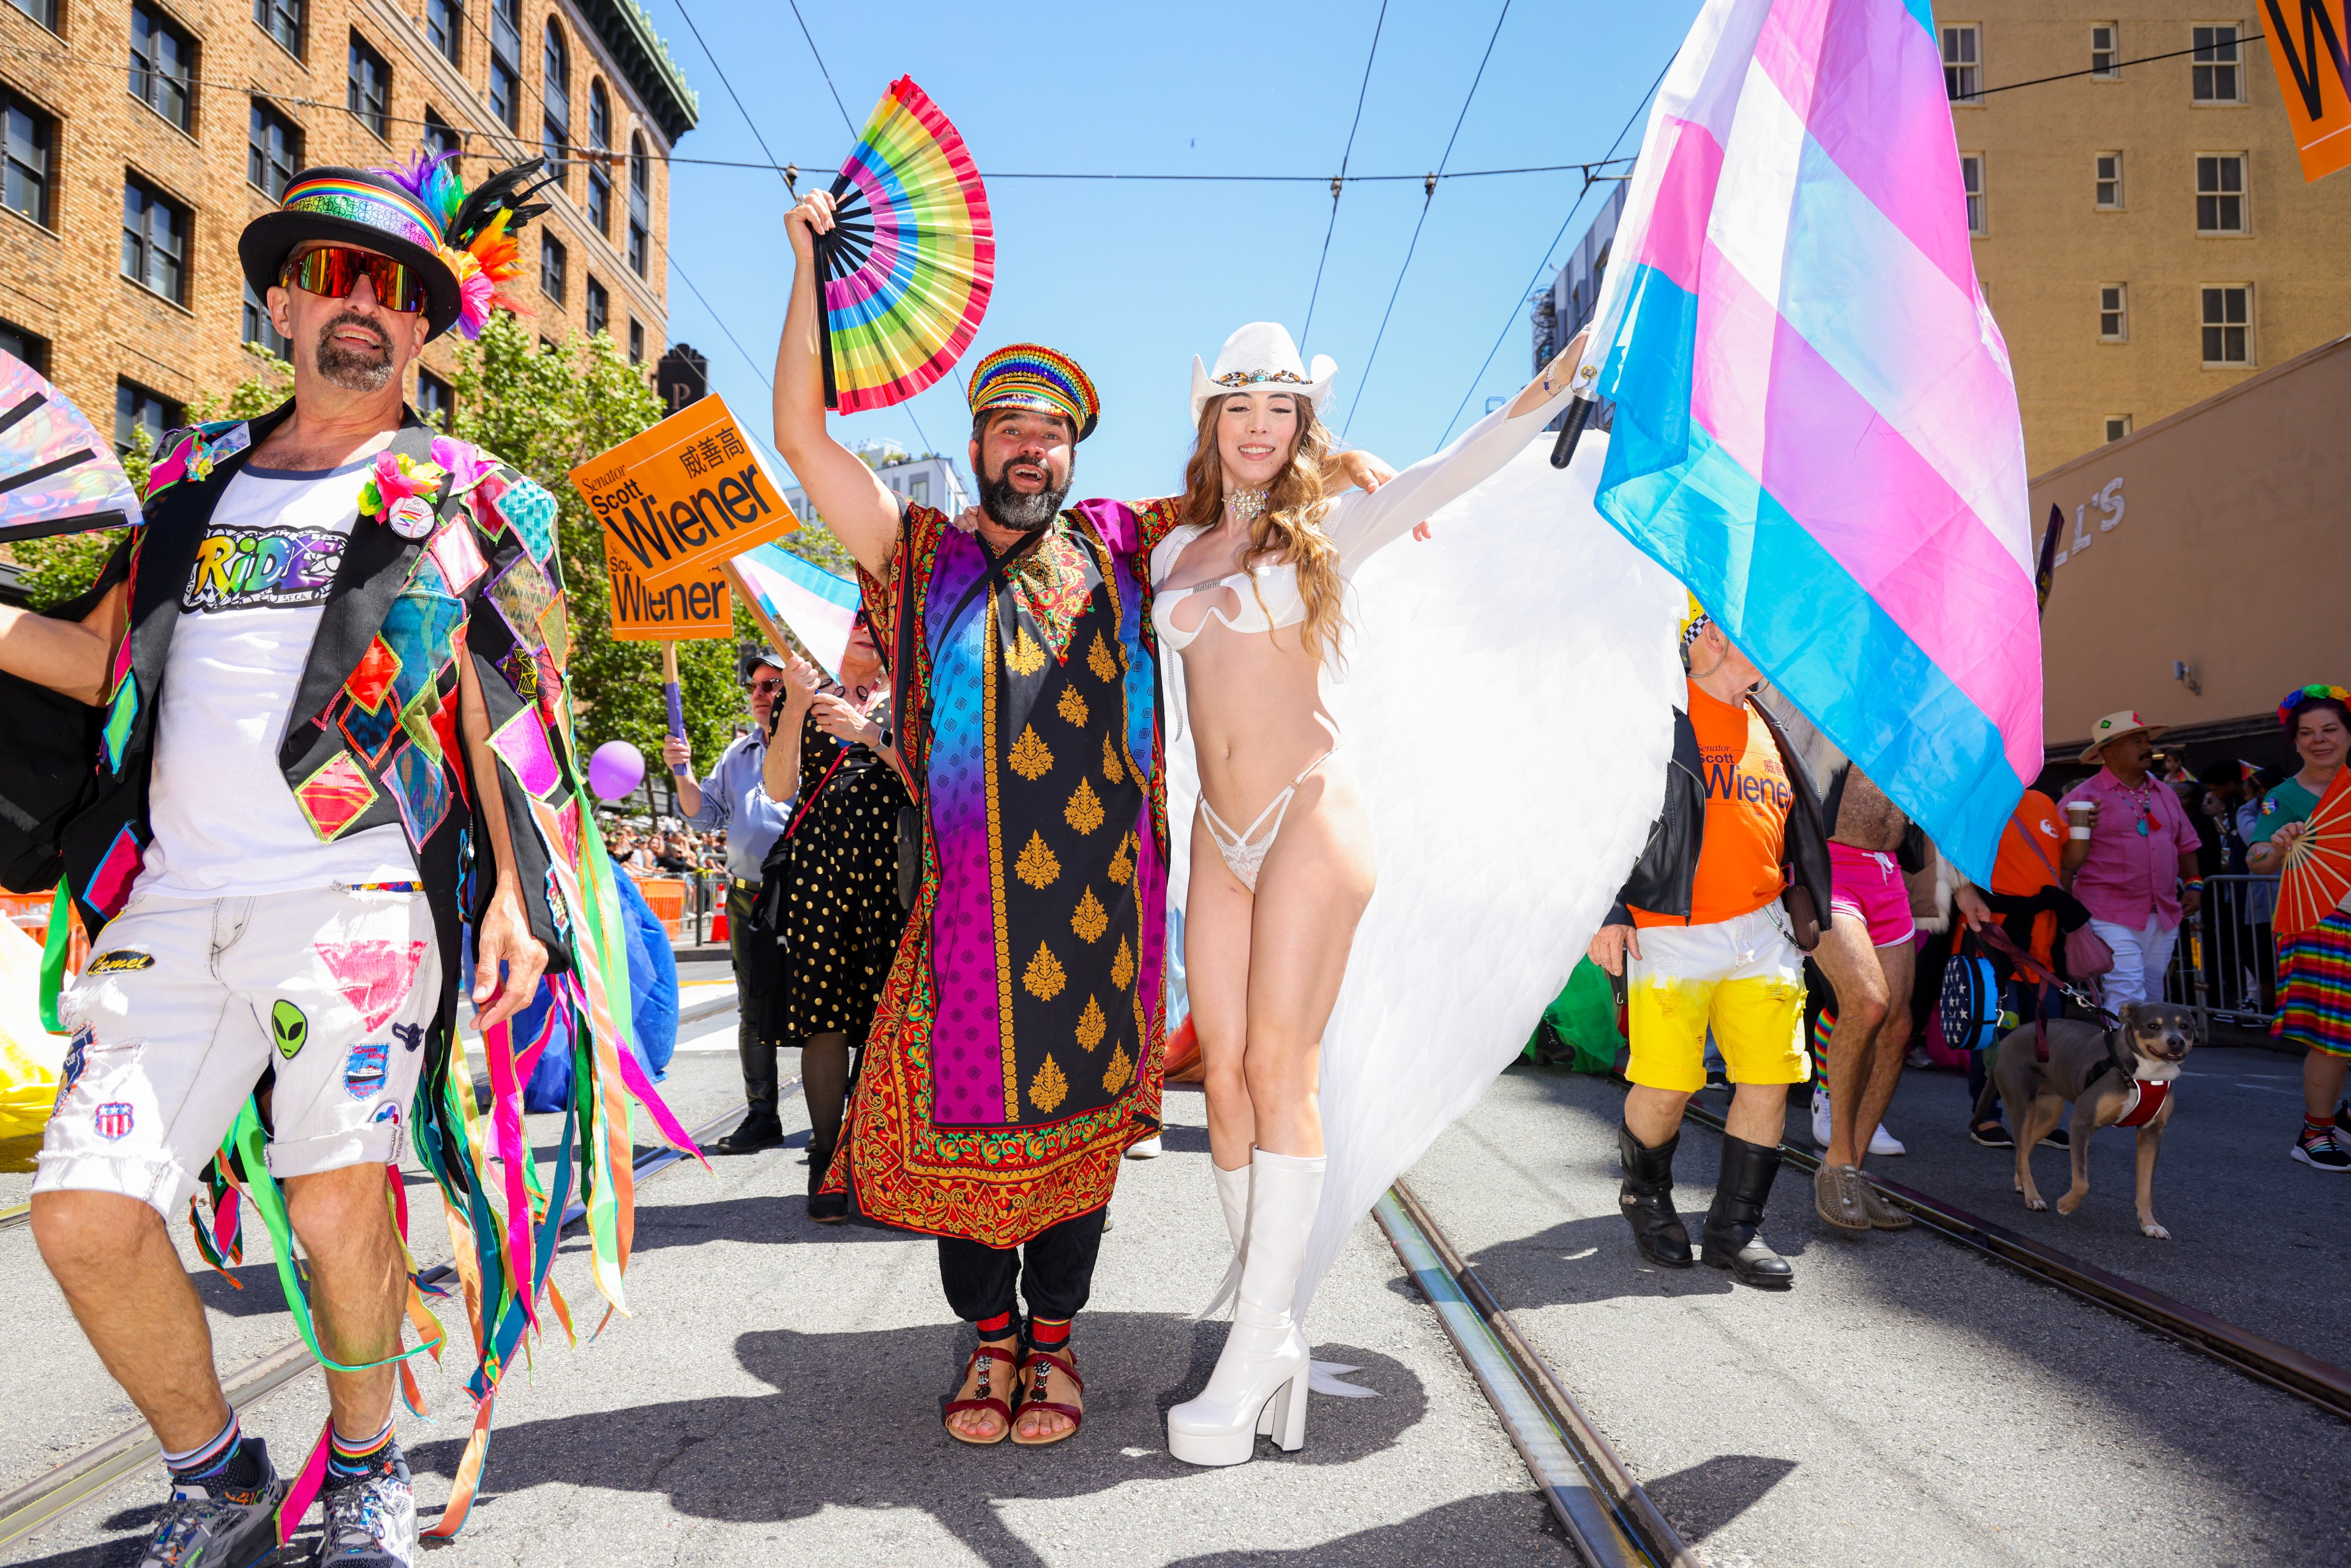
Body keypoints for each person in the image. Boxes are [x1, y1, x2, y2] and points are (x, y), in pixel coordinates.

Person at [1, 154, 667, 1567]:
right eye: (335, 279)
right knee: (81, 1213)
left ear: (424, 330)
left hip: (357, 894)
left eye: (395, 290)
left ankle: (363, 1463)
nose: (363, 308)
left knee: (331, 1185)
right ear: (285, 305)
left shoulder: (469, 494)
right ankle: (217, 1468)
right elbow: (103, 662)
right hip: (169, 901)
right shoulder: (182, 481)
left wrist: (528, 907)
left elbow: (516, 712)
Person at [1149, 320, 1614, 1466]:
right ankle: (1274, 1337)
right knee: (1226, 1072)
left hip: (1312, 812)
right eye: (1240, 407)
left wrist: (1548, 387)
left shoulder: (1331, 527)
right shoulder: (1171, 557)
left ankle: (1252, 1346)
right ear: (1211, 422)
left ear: (1302, 423)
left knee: (1279, 1066)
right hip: (1218, 833)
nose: (1259, 427)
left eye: (1282, 409)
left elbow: (1451, 469)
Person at [1590, 602, 1832, 1289]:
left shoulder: (1771, 727)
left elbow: (1792, 830)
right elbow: (1605, 815)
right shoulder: (1660, 715)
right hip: (1669, 932)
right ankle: (1646, 1197)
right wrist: (1608, 907)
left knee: (1769, 1077)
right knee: (1666, 1084)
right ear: (1714, 637)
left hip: (1762, 935)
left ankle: (1734, 1231)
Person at [752, 613, 914, 1222]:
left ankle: (885, 1153)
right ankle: (827, 1155)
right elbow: (776, 787)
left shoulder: (911, 696)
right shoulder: (804, 696)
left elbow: (928, 780)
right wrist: (793, 705)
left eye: (878, 623)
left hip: (896, 872)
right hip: (822, 872)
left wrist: (871, 734)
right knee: (825, 1012)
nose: (867, 631)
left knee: (894, 1015)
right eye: (856, 623)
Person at [1807, 765, 1991, 1228]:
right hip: (1828, 866)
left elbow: (1933, 810)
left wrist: (1964, 888)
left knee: (1899, 1025)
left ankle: (1848, 1167)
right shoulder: (1834, 700)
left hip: (1888, 873)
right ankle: (1839, 1154)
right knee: (1867, 1002)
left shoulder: (1915, 727)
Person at [666, 652, 793, 1153]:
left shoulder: (817, 741)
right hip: (747, 896)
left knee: (828, 1004)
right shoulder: (738, 753)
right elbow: (704, 816)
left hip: (804, 890)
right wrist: (683, 770)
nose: (761, 694)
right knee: (754, 1007)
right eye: (756, 686)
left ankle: (841, 1122)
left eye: (772, 684)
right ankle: (762, 1114)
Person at [2244, 685, 2351, 1172]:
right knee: (2332, 1036)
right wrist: (2281, 846)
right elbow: (2257, 859)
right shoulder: (2283, 797)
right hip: (2322, 922)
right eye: (2307, 733)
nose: (2320, 740)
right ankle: (2315, 1132)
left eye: (2330, 729)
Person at [1963, 788, 2087, 1147]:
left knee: (2049, 1037)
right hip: (1993, 935)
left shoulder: (2043, 801)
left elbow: (2069, 863)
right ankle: (1986, 1116)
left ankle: (2040, 1122)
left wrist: (2082, 829)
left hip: (2042, 943)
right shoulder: (1974, 797)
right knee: (1996, 1033)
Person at [2058, 711, 2203, 1010]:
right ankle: (2120, 1056)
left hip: (2163, 912)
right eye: (2137, 741)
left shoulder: (2165, 793)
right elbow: (2056, 855)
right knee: (2126, 991)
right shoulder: (2083, 797)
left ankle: (2146, 1055)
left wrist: (2194, 884)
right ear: (2108, 752)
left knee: (2152, 997)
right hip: (2107, 912)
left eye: (2147, 741)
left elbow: (2186, 843)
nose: (2147, 747)